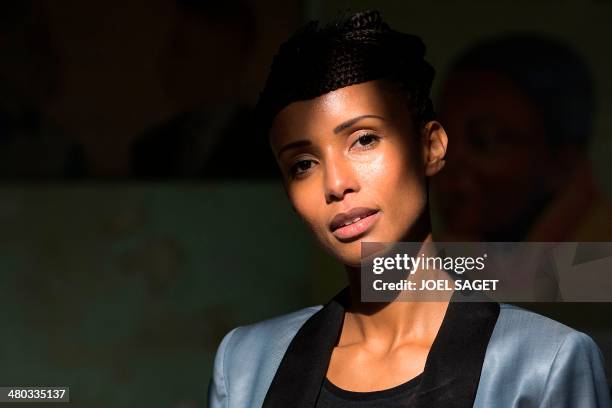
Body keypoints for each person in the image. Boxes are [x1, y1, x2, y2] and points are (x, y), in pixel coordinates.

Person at [208, 10, 611, 407]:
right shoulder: (246, 364)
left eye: (363, 140)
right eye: (303, 164)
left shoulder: (545, 364)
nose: (335, 184)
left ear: (431, 146)